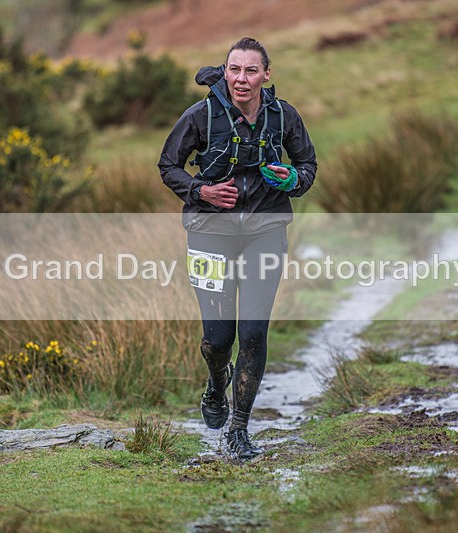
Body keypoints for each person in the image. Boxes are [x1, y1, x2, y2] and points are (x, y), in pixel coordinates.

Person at [158, 37, 317, 459]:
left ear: (266, 75)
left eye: (250, 71)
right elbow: (167, 166)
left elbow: (308, 166)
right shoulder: (200, 116)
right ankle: (215, 385)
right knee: (218, 337)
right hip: (210, 232)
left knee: (252, 332)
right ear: (224, 71)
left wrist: (292, 182)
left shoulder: (284, 117)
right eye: (234, 69)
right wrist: (199, 191)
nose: (241, 79)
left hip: (266, 231)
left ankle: (239, 430)